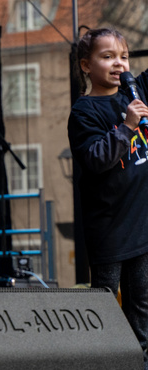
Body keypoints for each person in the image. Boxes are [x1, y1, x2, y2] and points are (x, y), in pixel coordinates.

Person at [68, 27, 148, 368]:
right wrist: (127, 126)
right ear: (86, 65)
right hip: (109, 229)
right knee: (104, 306)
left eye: (124, 56)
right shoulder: (84, 112)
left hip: (142, 226)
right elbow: (97, 158)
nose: (119, 63)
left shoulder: (137, 90)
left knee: (142, 306)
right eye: (108, 57)